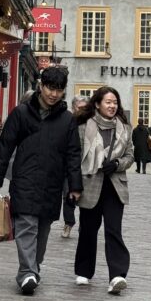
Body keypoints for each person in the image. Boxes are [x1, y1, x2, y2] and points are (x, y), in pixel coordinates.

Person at [0, 66, 82, 295]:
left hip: (52, 182)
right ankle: (28, 272)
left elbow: (73, 154)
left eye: (59, 90)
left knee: (43, 230)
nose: (53, 94)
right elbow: (5, 146)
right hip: (25, 179)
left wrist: (75, 185)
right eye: (50, 88)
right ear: (41, 86)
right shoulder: (21, 113)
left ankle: (32, 268)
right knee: (26, 226)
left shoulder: (67, 120)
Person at [74, 86, 135, 295]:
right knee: (88, 231)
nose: (112, 106)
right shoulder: (84, 127)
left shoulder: (125, 128)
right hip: (90, 183)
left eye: (115, 102)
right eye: (108, 102)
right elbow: (75, 156)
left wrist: (117, 163)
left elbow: (130, 156)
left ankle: (117, 275)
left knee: (113, 230)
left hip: (114, 186)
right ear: (98, 104)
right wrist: (72, 186)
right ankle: (84, 270)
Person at [61, 95, 89, 239]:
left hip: (87, 168)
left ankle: (85, 227)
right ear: (73, 107)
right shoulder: (67, 122)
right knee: (68, 196)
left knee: (87, 199)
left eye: (85, 108)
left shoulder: (92, 124)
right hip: (69, 167)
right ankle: (69, 223)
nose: (82, 111)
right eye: (80, 108)